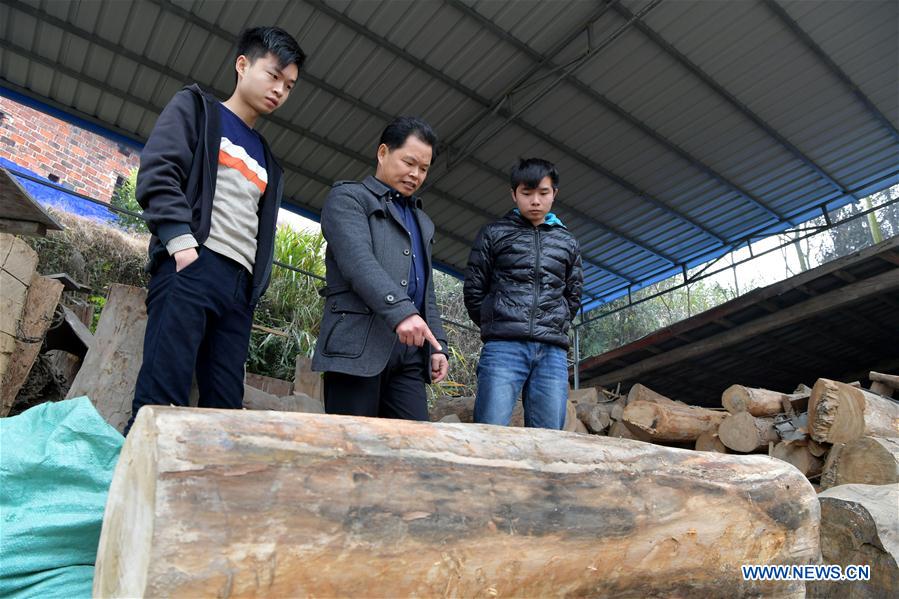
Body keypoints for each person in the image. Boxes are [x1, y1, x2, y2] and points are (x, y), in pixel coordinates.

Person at [126, 27, 305, 433]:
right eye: (273, 75)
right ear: (242, 65)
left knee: (223, 409)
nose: (280, 90)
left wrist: (251, 290)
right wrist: (181, 245)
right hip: (192, 265)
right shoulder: (197, 110)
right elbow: (158, 173)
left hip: (237, 290)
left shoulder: (268, 160)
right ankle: (135, 491)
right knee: (161, 397)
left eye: (289, 85)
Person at [312, 116, 449, 420]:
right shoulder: (348, 198)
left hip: (409, 355)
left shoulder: (423, 222)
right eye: (409, 162)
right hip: (356, 346)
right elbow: (358, 263)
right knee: (354, 445)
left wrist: (438, 346)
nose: (415, 174)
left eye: (423, 169)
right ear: (383, 152)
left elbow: (427, 291)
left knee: (414, 446)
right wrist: (401, 313)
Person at [463, 158, 583, 429]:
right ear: (513, 194)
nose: (535, 201)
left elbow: (573, 294)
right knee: (490, 431)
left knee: (548, 437)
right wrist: (495, 323)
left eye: (543, 193)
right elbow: (474, 289)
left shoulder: (567, 242)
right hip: (503, 347)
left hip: (551, 351)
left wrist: (556, 322)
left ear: (555, 194)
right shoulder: (494, 234)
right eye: (527, 194)